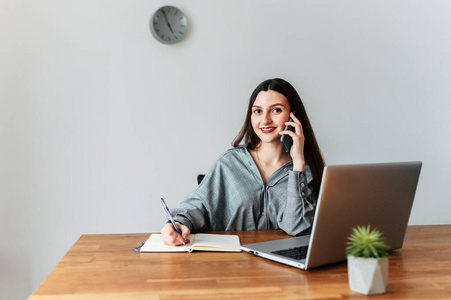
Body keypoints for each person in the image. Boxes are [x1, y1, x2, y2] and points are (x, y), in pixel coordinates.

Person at [161, 78, 325, 245]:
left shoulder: (307, 172)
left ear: (294, 115)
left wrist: (298, 163)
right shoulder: (230, 163)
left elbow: (297, 227)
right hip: (234, 264)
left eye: (276, 110)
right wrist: (178, 224)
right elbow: (197, 206)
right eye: (258, 111)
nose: (265, 120)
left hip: (286, 265)